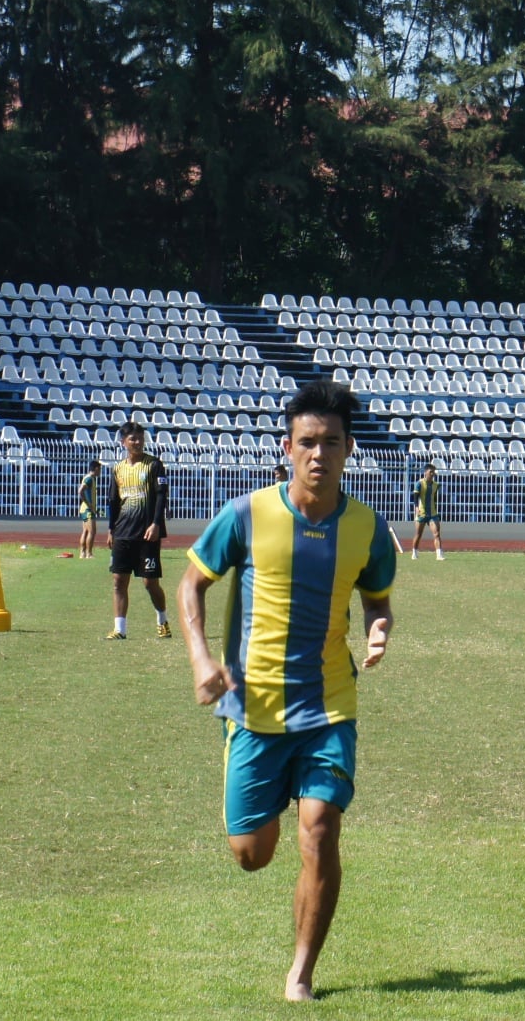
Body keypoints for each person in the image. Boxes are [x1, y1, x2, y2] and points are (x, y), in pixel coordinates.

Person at [176, 380, 396, 1003]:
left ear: (349, 449)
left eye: (331, 442)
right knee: (251, 854)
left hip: (330, 704)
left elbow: (377, 598)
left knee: (321, 830)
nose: (318, 454)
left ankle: (301, 973)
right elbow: (191, 585)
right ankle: (271, 802)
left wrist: (380, 629)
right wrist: (199, 660)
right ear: (287, 447)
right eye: (307, 442)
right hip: (247, 706)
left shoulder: (368, 529)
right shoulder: (246, 514)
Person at [104, 421, 169, 639]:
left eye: (140, 437)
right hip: (123, 531)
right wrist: (111, 529)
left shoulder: (154, 465)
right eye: (132, 438)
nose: (138, 442)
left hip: (147, 532)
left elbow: (161, 495)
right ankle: (120, 629)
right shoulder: (118, 468)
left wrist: (156, 523)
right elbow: (113, 501)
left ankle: (162, 620)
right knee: (118, 581)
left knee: (150, 583)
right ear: (123, 442)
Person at [410, 463, 443, 561]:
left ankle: (439, 554)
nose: (433, 474)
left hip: (432, 513)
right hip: (422, 513)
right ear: (426, 472)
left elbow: (435, 498)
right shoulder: (419, 483)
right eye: (431, 472)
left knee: (437, 533)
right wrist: (416, 508)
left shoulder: (436, 485)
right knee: (418, 534)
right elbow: (415, 497)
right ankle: (414, 552)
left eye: (434, 472)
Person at [76, 460, 102, 559]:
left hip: (84, 509)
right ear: (96, 469)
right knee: (92, 531)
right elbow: (80, 491)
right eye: (100, 470)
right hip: (88, 509)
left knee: (85, 531)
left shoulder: (89, 478)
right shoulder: (89, 479)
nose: (100, 472)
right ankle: (89, 553)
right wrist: (88, 504)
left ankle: (82, 553)